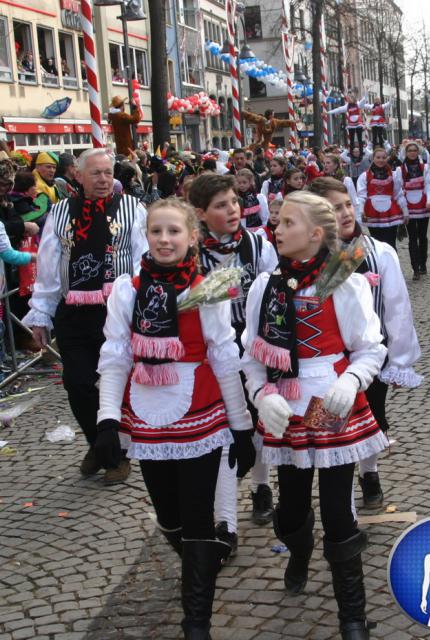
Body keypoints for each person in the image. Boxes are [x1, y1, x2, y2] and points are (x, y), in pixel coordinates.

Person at [94, 197, 255, 639]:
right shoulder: (127, 290)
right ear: (145, 236)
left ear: (192, 237)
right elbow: (115, 355)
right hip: (148, 418)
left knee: (198, 519)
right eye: (156, 231)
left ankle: (195, 624)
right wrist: (107, 419)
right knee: (168, 517)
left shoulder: (208, 289)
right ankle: (200, 564)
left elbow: (224, 357)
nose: (164, 240)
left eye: (174, 231)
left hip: (201, 414)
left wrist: (241, 427)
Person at [241, 190, 387, 639]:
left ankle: (352, 614)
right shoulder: (264, 287)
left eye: (289, 222)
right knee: (291, 507)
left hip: (329, 401)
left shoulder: (344, 281)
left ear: (316, 234)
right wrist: (260, 394)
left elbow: (370, 348)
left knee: (338, 508)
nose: (277, 228)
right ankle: (298, 549)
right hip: (284, 406)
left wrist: (351, 380)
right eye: (278, 221)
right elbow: (251, 355)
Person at [24, 148, 148, 485]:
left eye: (108, 172)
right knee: (78, 383)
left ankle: (115, 455)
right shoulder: (61, 211)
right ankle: (99, 443)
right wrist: (41, 314)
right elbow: (49, 266)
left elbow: (142, 258)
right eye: (96, 173)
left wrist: (137, 300)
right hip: (74, 311)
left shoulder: (133, 208)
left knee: (114, 383)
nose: (104, 179)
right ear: (78, 176)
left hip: (116, 311)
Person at [307, 177, 421, 509]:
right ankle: (336, 487)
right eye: (334, 208)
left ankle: (369, 472)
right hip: (327, 359)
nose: (345, 213)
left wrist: (400, 361)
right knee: (331, 422)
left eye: (347, 205)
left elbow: (397, 308)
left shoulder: (378, 252)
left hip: (371, 356)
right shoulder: (308, 258)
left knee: (373, 414)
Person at [188, 174, 278, 550]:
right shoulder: (192, 252)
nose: (232, 210)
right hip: (214, 350)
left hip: (254, 344)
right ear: (200, 214)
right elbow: (188, 300)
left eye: (234, 202)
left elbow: (274, 287)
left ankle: (261, 485)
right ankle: (224, 519)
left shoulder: (258, 243)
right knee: (224, 427)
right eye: (221, 205)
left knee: (256, 422)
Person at [356, 147, 409, 250]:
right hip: (372, 213)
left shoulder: (393, 175)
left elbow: (398, 194)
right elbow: (361, 196)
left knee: (391, 244)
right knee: (377, 245)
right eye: (378, 157)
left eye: (384, 158)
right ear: (373, 158)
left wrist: (405, 211)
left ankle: (392, 260)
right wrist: (361, 211)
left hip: (391, 212)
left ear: (387, 158)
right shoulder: (364, 176)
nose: (381, 160)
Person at [396, 142, 430, 279]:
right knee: (412, 237)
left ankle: (423, 264)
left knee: (422, 236)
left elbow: (428, 185)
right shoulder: (400, 170)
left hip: (423, 204)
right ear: (406, 153)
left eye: (414, 150)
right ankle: (415, 268)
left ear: (418, 152)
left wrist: (429, 201)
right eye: (409, 150)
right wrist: (403, 207)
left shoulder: (425, 167)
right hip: (408, 205)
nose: (412, 153)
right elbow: (399, 189)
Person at [32, 152, 62, 220]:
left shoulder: (50, 183)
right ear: (37, 167)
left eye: (54, 167)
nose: (52, 170)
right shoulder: (35, 185)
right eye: (48, 167)